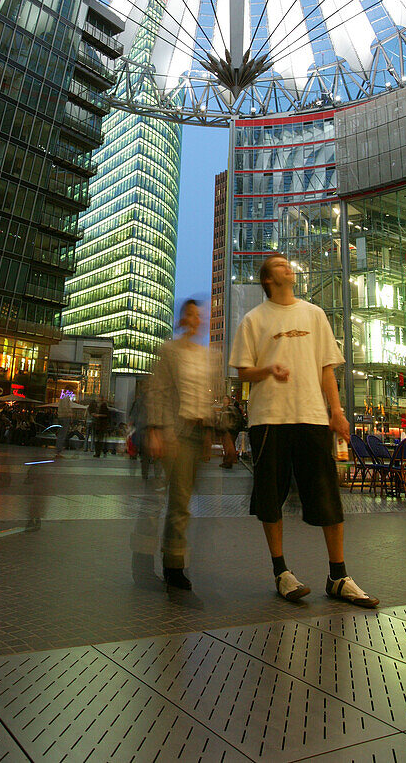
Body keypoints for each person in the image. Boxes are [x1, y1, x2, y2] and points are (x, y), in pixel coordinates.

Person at [229, 254, 378, 608]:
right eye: (279, 265)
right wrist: (268, 370)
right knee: (270, 496)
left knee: (327, 495)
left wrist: (337, 411)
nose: (287, 267)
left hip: (312, 417)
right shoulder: (253, 320)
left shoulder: (314, 314)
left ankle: (338, 576)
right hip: (268, 420)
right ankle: (281, 572)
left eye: (287, 263)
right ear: (267, 279)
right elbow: (243, 372)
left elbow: (328, 369)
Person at [146, 299, 214, 591]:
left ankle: (169, 556)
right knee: (176, 501)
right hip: (177, 431)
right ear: (183, 319)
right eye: (191, 314)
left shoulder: (207, 356)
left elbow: (209, 397)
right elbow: (158, 391)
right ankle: (172, 564)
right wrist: (156, 430)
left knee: (182, 500)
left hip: (199, 433)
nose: (196, 319)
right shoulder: (169, 351)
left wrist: (212, 433)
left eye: (199, 315)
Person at [219, 395, 243, 469]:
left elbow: (237, 418)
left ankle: (230, 461)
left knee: (229, 446)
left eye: (226, 398)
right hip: (225, 429)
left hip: (229, 430)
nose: (224, 400)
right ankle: (228, 461)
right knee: (227, 446)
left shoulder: (231, 408)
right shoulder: (223, 409)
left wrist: (232, 427)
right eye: (223, 398)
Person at [55, 391, 73, 458]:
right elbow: (66, 407)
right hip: (65, 416)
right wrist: (70, 414)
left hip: (61, 416)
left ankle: (58, 451)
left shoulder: (62, 396)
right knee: (62, 434)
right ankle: (58, 451)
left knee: (61, 434)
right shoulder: (65, 397)